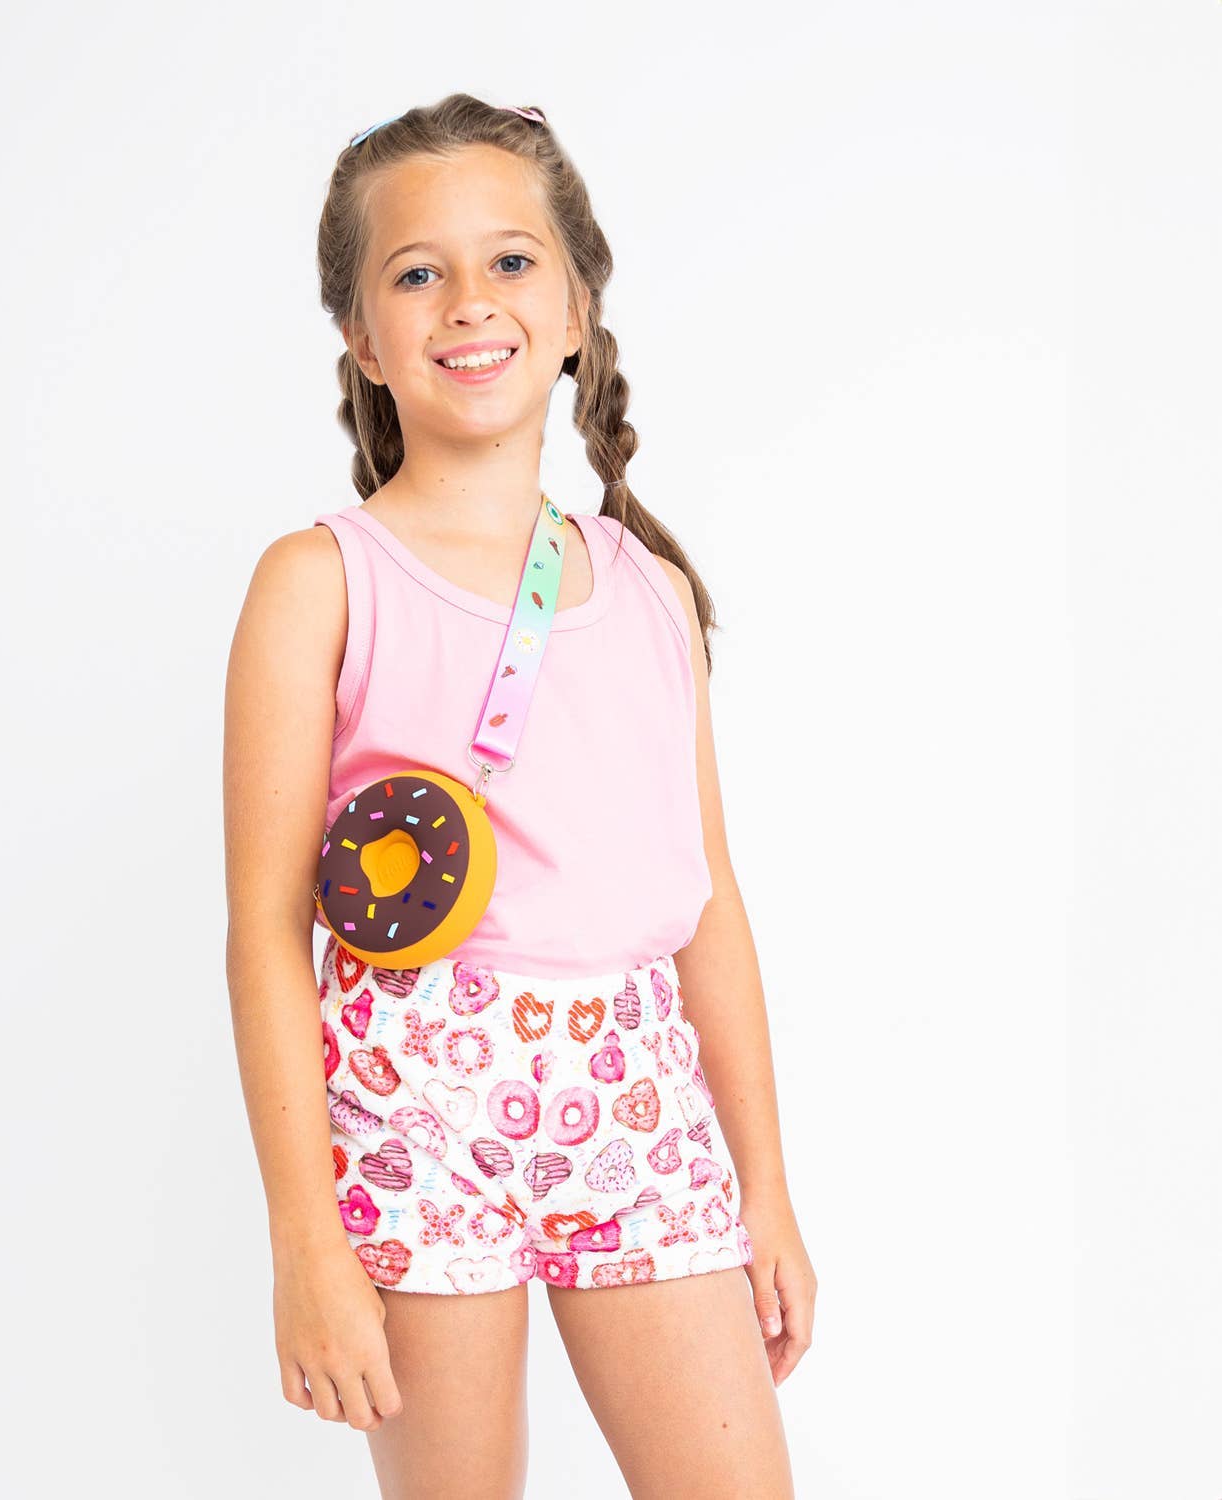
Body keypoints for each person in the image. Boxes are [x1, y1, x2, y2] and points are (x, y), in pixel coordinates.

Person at [224, 92, 813, 1498]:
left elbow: (710, 905)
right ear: (362, 338)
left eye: (510, 261)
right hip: (413, 1111)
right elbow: (265, 931)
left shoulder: (650, 589)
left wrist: (766, 1188)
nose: (468, 302)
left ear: (576, 310)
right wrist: (305, 1243)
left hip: (638, 1099)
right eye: (415, 273)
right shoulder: (318, 584)